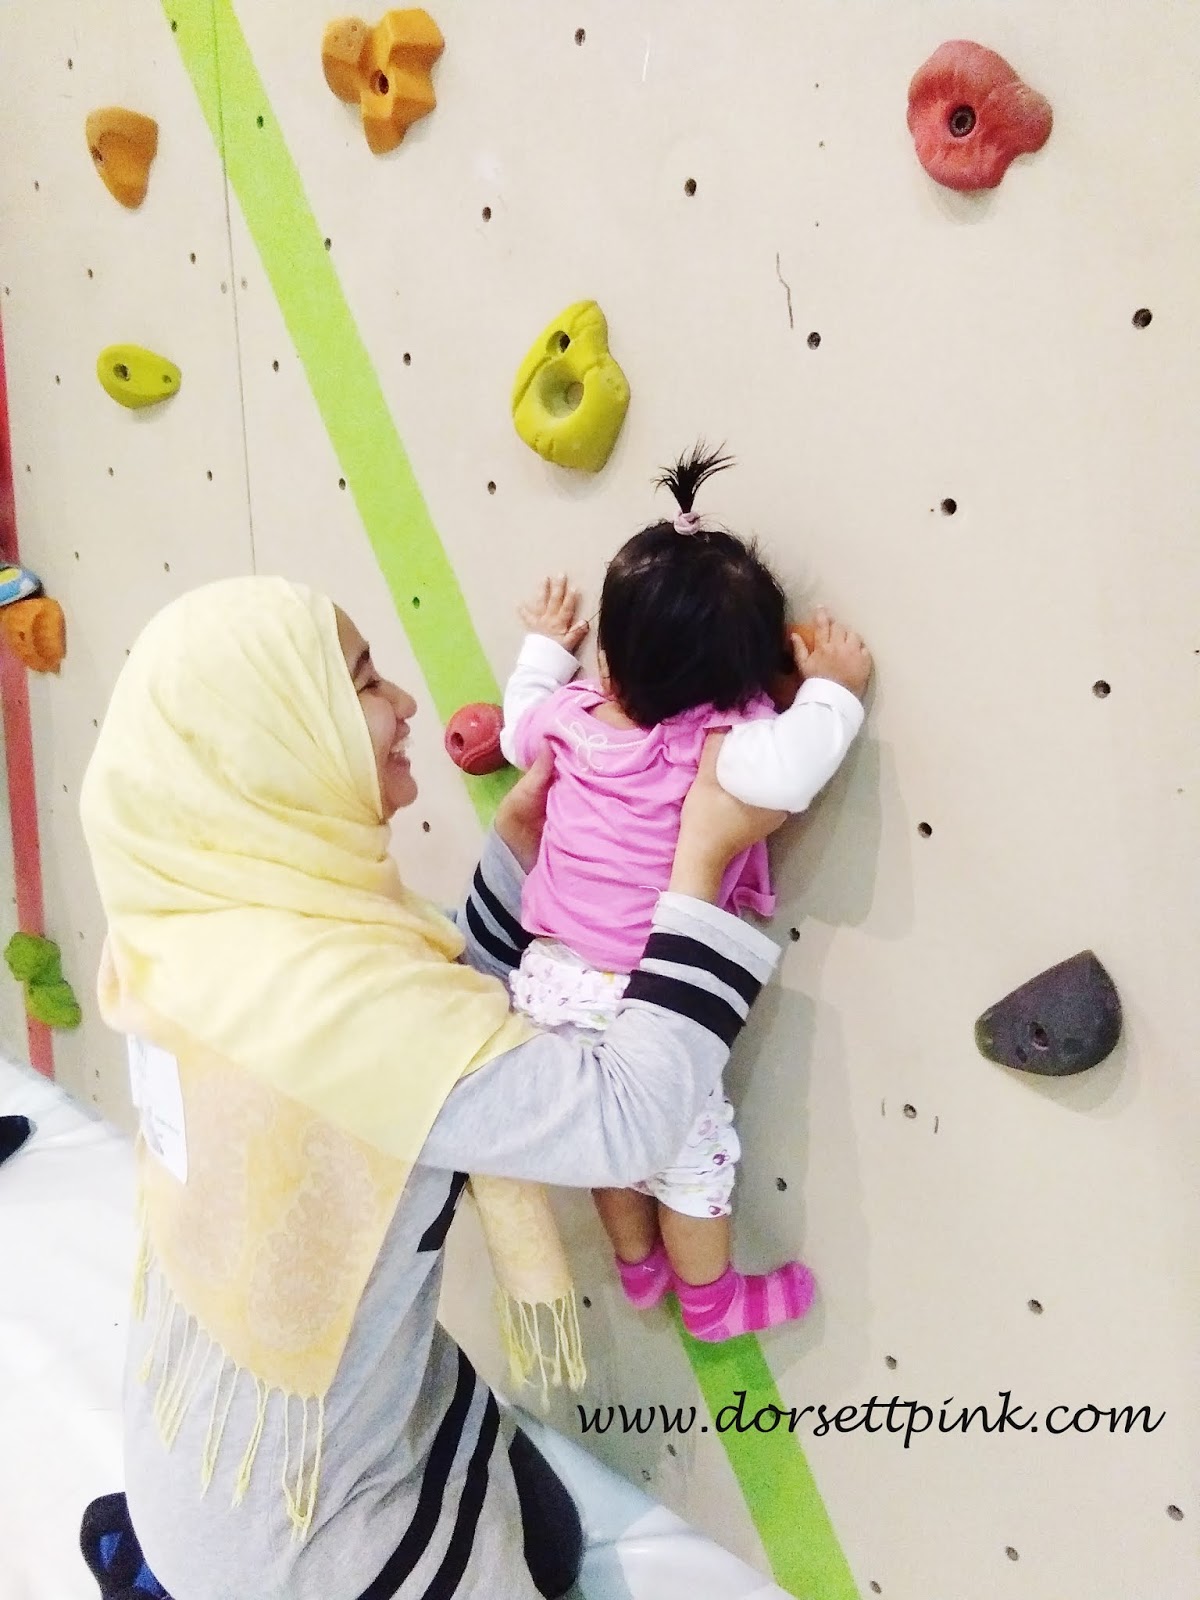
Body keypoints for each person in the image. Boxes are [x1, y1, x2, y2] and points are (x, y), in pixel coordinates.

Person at [76, 575, 789, 1600]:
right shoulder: (333, 1011)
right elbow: (631, 1117)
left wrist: (514, 859)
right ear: (274, 744)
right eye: (365, 681)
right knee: (539, 1554)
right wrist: (698, 862)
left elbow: (429, 1044)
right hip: (294, 1539)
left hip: (193, 1449)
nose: (405, 701)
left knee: (538, 1519)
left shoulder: (202, 931)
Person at [499, 445, 872, 1342]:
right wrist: (832, 690)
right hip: (643, 994)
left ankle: (636, 1269)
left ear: (614, 658)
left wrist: (545, 651)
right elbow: (797, 767)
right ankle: (709, 1302)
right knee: (689, 1151)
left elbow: (515, 728)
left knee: (604, 1139)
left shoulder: (575, 719)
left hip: (545, 979)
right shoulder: (719, 746)